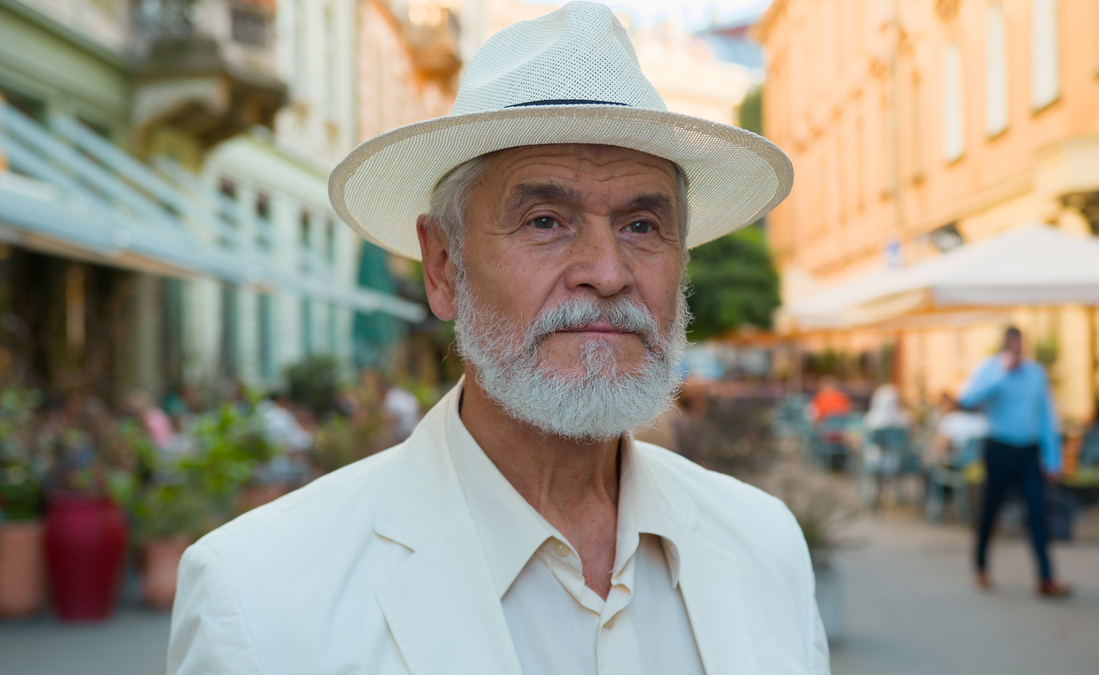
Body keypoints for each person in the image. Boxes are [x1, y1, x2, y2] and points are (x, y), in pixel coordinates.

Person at [167, 5, 829, 674]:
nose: (607, 273)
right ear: (443, 266)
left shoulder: (764, 544)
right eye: (545, 220)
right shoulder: (259, 600)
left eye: (642, 226)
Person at [959, 326, 1072, 598]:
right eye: (1013, 347)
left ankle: (1046, 577)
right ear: (1005, 347)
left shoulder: (1036, 374)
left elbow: (1046, 416)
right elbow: (966, 400)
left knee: (1037, 512)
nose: (1018, 352)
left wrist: (1054, 458)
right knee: (990, 509)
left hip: (1029, 451)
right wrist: (1002, 374)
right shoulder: (990, 369)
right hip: (998, 447)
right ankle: (981, 566)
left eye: (1022, 347)